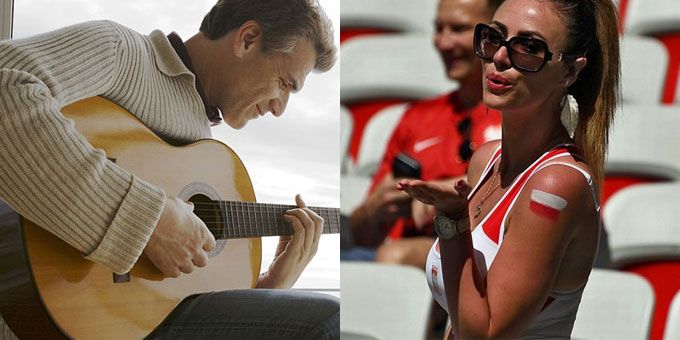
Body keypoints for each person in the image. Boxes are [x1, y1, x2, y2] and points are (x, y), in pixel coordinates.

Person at [0, 0, 338, 338]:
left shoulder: (205, 151)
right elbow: (6, 85)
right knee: (331, 319)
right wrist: (147, 220)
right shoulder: (124, 53)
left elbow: (162, 300)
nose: (281, 108)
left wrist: (270, 289)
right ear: (247, 39)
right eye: (284, 82)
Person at [399, 0, 619, 337]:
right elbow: (458, 322)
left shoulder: (557, 183)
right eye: (494, 37)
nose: (500, 57)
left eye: (529, 47)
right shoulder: (485, 160)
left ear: (571, 71)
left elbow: (484, 333)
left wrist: (453, 220)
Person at [345, 0, 503, 268]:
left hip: (494, 254)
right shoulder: (416, 117)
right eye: (438, 29)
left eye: (458, 29)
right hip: (416, 255)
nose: (442, 42)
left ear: (496, 37)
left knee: (393, 257)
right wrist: (375, 208)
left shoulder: (524, 110)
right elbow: (362, 238)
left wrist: (445, 193)